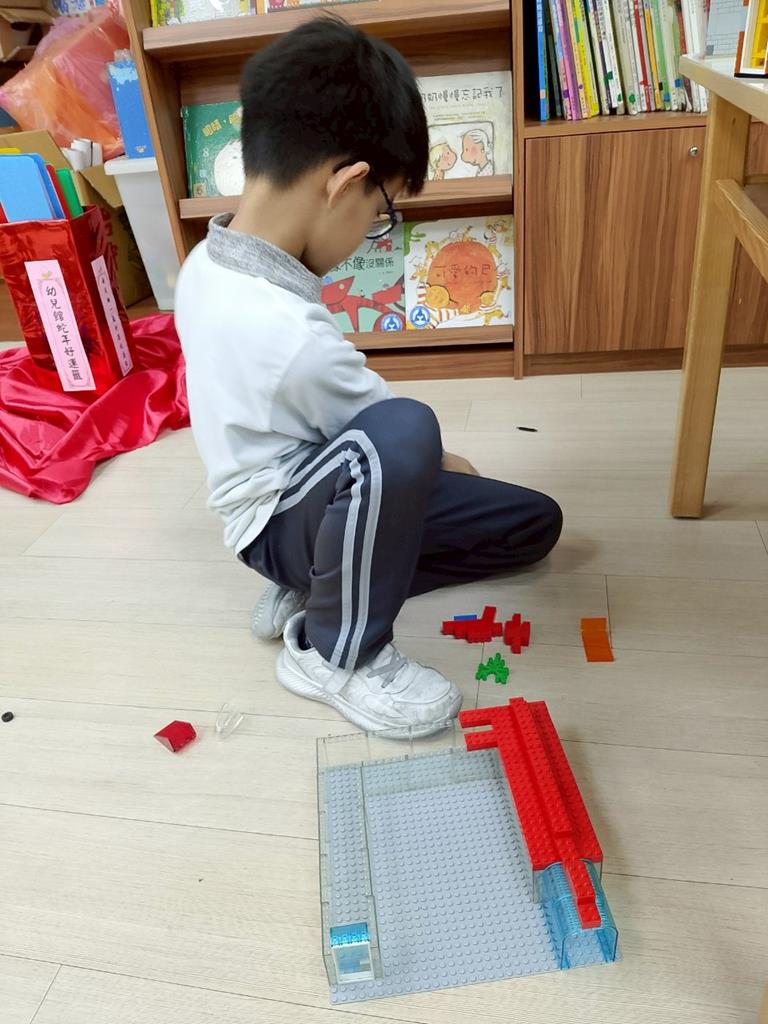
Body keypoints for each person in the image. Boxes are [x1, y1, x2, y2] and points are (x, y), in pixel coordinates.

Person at [175, 17, 562, 739]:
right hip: (280, 518)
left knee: (531, 523)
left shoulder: (206, 260)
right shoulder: (282, 330)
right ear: (347, 182)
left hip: (312, 500)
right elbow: (382, 439)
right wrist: (450, 464)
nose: (369, 236)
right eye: (381, 214)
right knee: (406, 431)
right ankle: (335, 650)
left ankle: (322, 590)